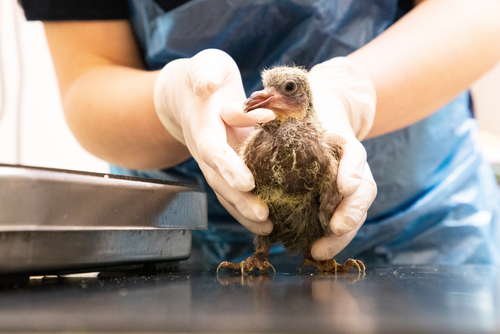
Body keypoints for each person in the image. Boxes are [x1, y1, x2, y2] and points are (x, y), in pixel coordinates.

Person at [21, 0, 500, 265]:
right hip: (183, 240)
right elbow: (88, 73)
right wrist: (171, 103)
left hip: (424, 233)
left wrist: (350, 94)